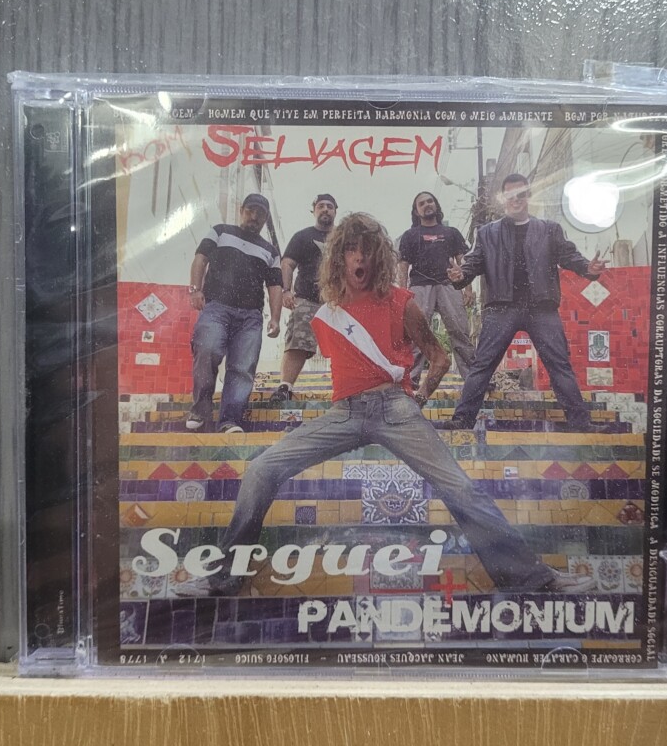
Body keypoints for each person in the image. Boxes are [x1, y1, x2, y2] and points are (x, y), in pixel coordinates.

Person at [175, 213, 595, 595]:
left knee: (461, 488)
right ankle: (224, 578)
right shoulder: (329, 311)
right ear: (338, 258)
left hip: (395, 410)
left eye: (366, 251)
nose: (358, 258)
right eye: (350, 250)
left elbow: (439, 357)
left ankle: (531, 579)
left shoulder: (401, 300)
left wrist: (418, 397)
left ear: (377, 257)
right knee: (261, 469)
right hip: (344, 413)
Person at [445, 173, 608, 431]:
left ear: (528, 195)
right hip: (501, 307)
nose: (516, 199)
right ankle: (462, 420)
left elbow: (569, 256)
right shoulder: (487, 233)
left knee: (560, 365)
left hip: (541, 307)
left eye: (521, 194)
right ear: (503, 198)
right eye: (510, 195)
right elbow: (473, 263)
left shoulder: (550, 229)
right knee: (482, 364)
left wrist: (589, 268)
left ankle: (581, 424)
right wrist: (460, 275)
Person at [185, 193, 282, 433]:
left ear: (266, 218)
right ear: (241, 211)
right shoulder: (220, 231)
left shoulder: (270, 251)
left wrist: (276, 318)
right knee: (207, 350)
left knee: (243, 368)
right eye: (250, 210)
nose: (254, 216)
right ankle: (200, 409)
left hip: (251, 317)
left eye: (260, 214)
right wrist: (195, 290)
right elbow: (200, 258)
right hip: (216, 307)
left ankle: (230, 420)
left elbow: (275, 286)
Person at [398, 191, 475, 383]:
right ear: (416, 211)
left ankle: (473, 378)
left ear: (436, 205)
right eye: (421, 203)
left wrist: (467, 288)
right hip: (419, 288)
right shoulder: (410, 235)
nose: (427, 205)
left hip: (449, 286)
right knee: (417, 333)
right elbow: (403, 265)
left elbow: (462, 261)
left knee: (459, 331)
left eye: (430, 201)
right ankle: (411, 379)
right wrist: (402, 294)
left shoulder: (451, 233)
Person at [270, 193, 337, 402]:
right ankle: (285, 387)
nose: (325, 209)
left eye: (329, 206)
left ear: (335, 211)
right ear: (314, 210)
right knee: (297, 342)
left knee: (345, 345)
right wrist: (286, 291)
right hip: (307, 299)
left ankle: (346, 389)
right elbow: (287, 264)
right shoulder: (302, 236)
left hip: (339, 302)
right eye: (321, 206)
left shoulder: (344, 237)